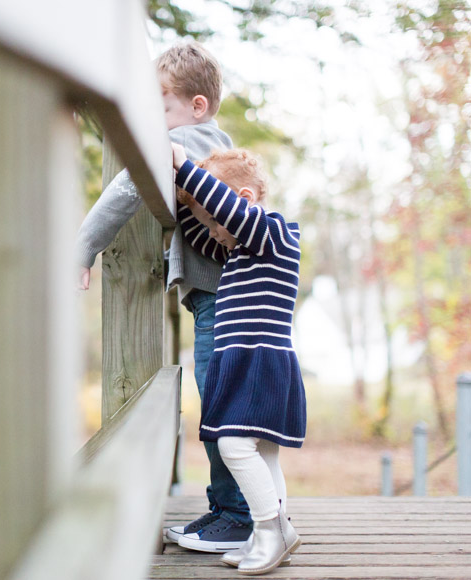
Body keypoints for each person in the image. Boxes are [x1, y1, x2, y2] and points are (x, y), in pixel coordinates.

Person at [76, 41, 253, 553]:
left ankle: (237, 517)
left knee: (221, 407)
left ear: (196, 107)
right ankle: (226, 508)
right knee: (222, 405)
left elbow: (129, 187)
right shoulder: (214, 144)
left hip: (221, 303)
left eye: (162, 107)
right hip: (222, 300)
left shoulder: (191, 142)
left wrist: (82, 248)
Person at [171, 145, 307, 575]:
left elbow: (227, 210)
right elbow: (198, 229)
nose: (213, 232)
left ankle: (270, 529)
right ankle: (272, 530)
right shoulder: (242, 251)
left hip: (260, 361)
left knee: (233, 444)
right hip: (248, 360)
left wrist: (182, 162)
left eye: (217, 223)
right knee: (263, 452)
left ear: (244, 200)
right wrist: (182, 197)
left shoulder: (271, 233)